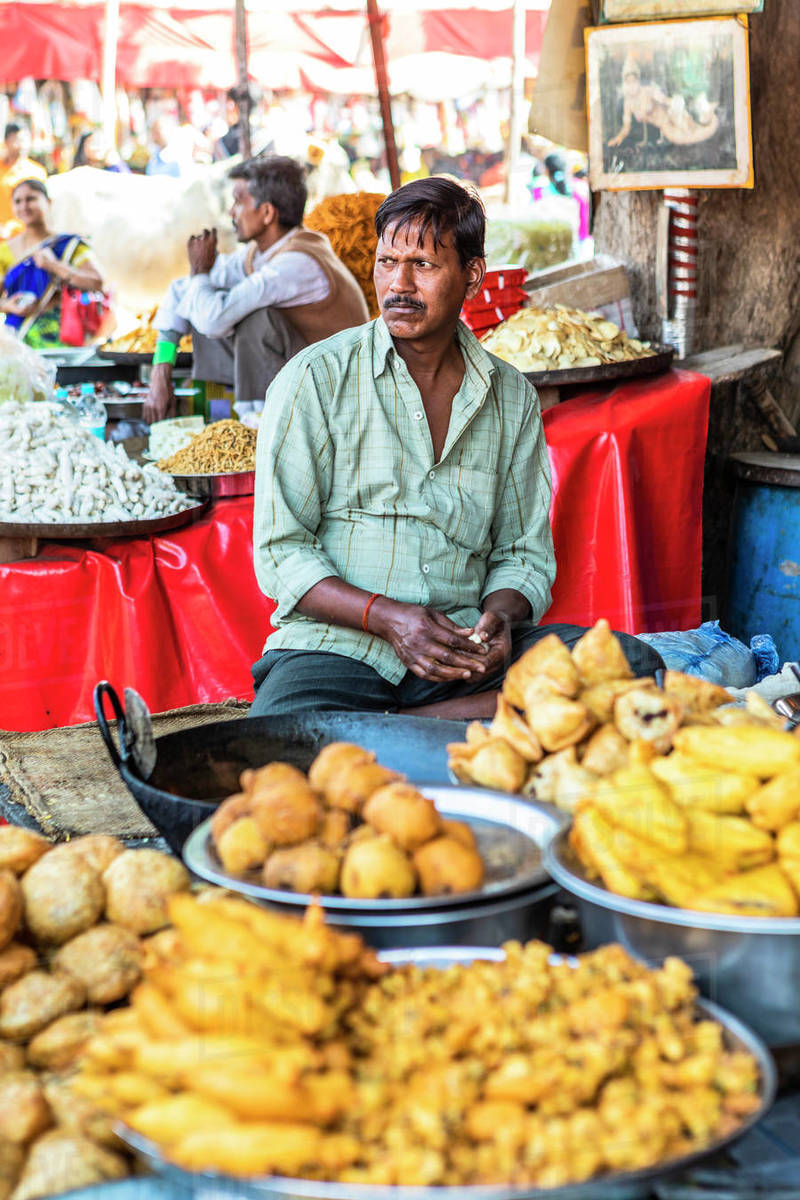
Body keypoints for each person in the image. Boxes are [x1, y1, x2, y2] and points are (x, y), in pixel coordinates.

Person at [250, 177, 663, 719]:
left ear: (472, 276)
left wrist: (499, 621)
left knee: (633, 664)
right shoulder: (314, 379)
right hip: (339, 647)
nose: (398, 283)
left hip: (459, 651)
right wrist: (390, 619)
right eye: (386, 262)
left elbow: (521, 553)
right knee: (282, 738)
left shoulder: (510, 395)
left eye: (422, 264)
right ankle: (463, 719)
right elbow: (281, 553)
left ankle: (404, 727)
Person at [144, 154, 369, 423]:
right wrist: (160, 371)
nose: (231, 213)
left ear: (266, 213)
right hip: (298, 381)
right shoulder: (257, 254)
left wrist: (201, 273)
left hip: (335, 394)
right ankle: (244, 417)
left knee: (254, 318)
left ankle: (259, 425)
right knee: (199, 295)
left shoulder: (297, 263)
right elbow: (181, 290)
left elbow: (214, 320)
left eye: (239, 201)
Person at [0, 178, 106, 348]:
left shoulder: (69, 245)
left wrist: (54, 265)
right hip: (19, 339)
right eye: (18, 201)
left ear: (48, 202)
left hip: (65, 336)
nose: (24, 206)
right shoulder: (4, 251)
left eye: (31, 199)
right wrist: (8, 306)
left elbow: (97, 281)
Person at [0, 123, 47, 227]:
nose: (22, 145)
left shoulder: (36, 172)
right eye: (17, 140)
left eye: (25, 140)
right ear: (6, 142)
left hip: (27, 233)